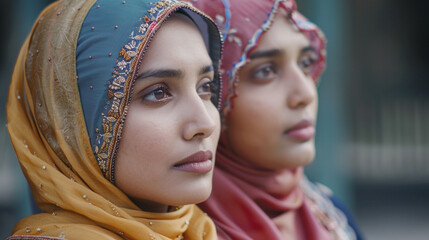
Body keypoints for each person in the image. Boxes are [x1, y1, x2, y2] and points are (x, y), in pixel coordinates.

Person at [6, 0, 223, 239]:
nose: (206, 124)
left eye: (205, 87)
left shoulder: (198, 231)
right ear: (74, 124)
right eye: (158, 93)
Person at [188, 0, 364, 239]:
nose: (306, 94)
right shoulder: (173, 229)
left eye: (306, 63)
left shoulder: (330, 213)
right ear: (213, 91)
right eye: (265, 71)